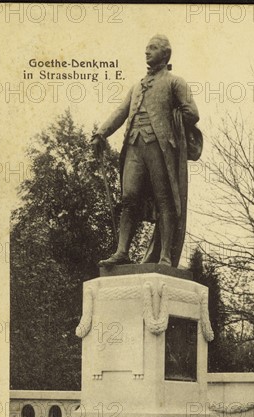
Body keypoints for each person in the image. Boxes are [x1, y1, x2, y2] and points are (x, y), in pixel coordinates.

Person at [92, 34, 200, 267]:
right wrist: (101, 133)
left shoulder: (175, 82)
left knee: (164, 200)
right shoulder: (136, 86)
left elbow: (192, 112)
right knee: (129, 197)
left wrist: (173, 121)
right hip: (134, 147)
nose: (147, 52)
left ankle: (165, 256)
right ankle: (121, 251)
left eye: (152, 48)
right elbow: (121, 112)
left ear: (165, 53)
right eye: (146, 48)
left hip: (160, 148)